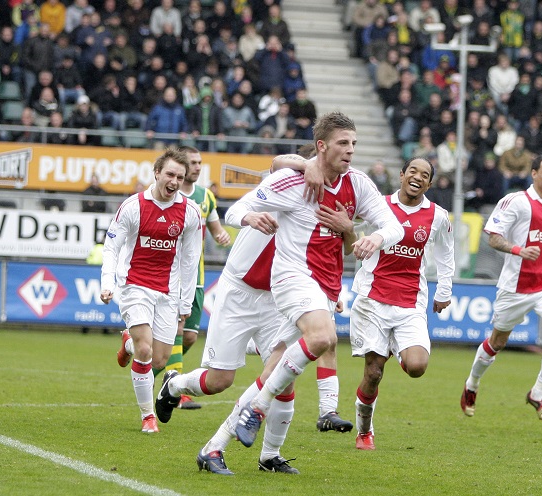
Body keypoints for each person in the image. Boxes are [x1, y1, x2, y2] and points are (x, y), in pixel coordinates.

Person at [154, 149, 355, 475]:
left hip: (278, 298)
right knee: (219, 381)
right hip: (239, 291)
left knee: (284, 378)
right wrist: (306, 166)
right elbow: (277, 163)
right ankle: (174, 386)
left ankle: (269, 455)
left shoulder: (327, 205)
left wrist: (325, 294)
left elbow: (324, 255)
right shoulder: (287, 183)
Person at [229, 112, 404, 448]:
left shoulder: (358, 183)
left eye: (354, 143)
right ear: (322, 146)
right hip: (291, 276)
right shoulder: (292, 182)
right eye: (343, 143)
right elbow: (235, 210)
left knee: (278, 362)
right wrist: (249, 217)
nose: (350, 150)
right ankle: (263, 407)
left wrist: (372, 237)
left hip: (325, 285)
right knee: (324, 337)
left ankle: (219, 446)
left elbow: (393, 227)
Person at [350, 157, 455, 450]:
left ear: (429, 184)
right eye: (413, 171)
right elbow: (349, 224)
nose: (417, 177)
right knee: (373, 373)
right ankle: (365, 431)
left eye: (424, 175)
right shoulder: (378, 206)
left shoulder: (438, 216)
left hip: (411, 302)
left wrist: (444, 290)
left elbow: (446, 254)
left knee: (417, 366)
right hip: (373, 300)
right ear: (401, 175)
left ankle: (395, 347)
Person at [460, 155, 542, 424]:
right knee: (497, 343)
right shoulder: (516, 201)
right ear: (533, 173)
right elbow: (493, 237)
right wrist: (518, 250)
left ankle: (538, 393)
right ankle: (472, 384)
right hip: (515, 287)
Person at [100, 147, 203, 433]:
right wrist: (107, 283)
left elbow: (190, 261)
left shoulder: (190, 212)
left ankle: (128, 343)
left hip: (168, 293)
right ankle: (148, 416)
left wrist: (185, 303)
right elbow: (111, 246)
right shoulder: (133, 206)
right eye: (170, 174)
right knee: (145, 349)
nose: (174, 181)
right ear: (156, 173)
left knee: (159, 358)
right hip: (135, 286)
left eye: (180, 177)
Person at [122, 146, 229, 411]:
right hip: (168, 278)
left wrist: (221, 236)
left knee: (189, 337)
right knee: (172, 334)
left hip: (197, 277)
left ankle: (150, 366)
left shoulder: (205, 197)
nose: (196, 167)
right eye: (192, 162)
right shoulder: (156, 200)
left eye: (199, 162)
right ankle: (173, 388)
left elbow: (215, 230)